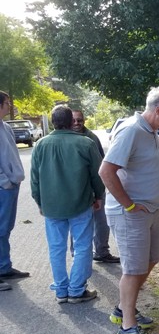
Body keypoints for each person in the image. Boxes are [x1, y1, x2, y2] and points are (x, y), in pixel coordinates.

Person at [99, 87, 159, 334]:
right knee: (133, 269)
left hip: (149, 209)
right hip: (131, 214)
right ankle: (127, 328)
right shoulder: (132, 130)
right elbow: (106, 171)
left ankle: (124, 310)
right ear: (158, 109)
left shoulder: (150, 131)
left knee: (151, 259)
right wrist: (130, 206)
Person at [31, 105, 105, 303]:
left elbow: (35, 179)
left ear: (53, 121)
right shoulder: (85, 143)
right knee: (82, 246)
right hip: (80, 202)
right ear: (71, 121)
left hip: (52, 206)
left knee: (56, 247)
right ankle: (76, 289)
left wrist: (39, 201)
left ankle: (61, 289)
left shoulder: (40, 144)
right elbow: (97, 175)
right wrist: (99, 196)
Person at [72, 109, 120, 263]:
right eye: (73, 120)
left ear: (84, 120)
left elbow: (101, 163)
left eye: (79, 120)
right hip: (75, 189)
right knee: (77, 223)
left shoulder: (92, 138)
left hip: (94, 186)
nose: (77, 123)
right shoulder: (65, 137)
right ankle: (77, 255)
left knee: (101, 221)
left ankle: (102, 252)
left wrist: (99, 190)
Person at [0, 90, 28, 291]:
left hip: (11, 186)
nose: (10, 106)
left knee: (5, 228)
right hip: (3, 186)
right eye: (7, 103)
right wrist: (5, 181)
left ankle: (4, 267)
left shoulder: (5, 127)